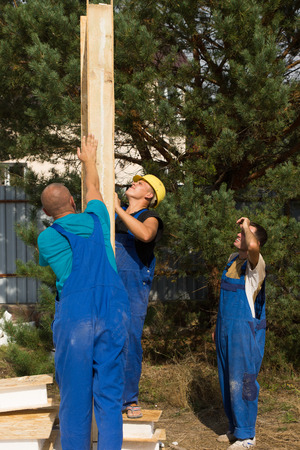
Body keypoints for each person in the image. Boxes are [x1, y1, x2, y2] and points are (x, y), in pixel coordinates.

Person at [38, 135, 130, 450]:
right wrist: (87, 158)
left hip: (75, 320)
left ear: (49, 215)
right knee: (109, 399)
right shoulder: (98, 218)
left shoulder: (46, 240)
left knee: (75, 402)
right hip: (112, 314)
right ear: (75, 204)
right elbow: (94, 188)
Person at [115, 174, 165, 418]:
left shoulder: (150, 217)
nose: (133, 182)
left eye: (141, 182)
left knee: (130, 341)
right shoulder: (113, 214)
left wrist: (117, 209)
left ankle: (129, 399)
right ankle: (105, 396)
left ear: (149, 196)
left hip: (133, 287)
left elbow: (145, 235)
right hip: (109, 284)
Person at [215, 217, 268, 449]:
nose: (239, 234)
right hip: (225, 328)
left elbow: (253, 246)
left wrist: (247, 225)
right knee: (228, 380)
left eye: (245, 233)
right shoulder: (232, 260)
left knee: (244, 382)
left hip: (244, 334)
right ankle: (235, 428)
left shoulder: (256, 267)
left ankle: (247, 436)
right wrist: (217, 328)